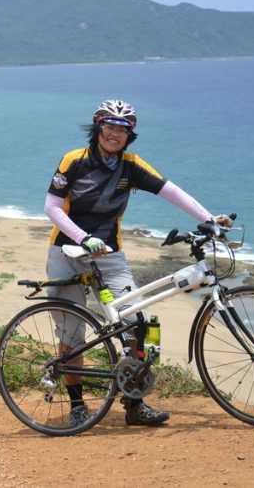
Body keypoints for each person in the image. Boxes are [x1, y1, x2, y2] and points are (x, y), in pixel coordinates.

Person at [44, 98, 232, 427]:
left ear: (130, 135)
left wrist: (208, 219)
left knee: (136, 324)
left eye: (122, 129)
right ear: (97, 127)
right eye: (109, 126)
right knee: (71, 336)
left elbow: (171, 191)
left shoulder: (131, 166)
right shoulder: (74, 160)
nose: (114, 133)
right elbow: (52, 207)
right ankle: (76, 406)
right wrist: (82, 237)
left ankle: (134, 405)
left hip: (110, 255)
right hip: (66, 252)